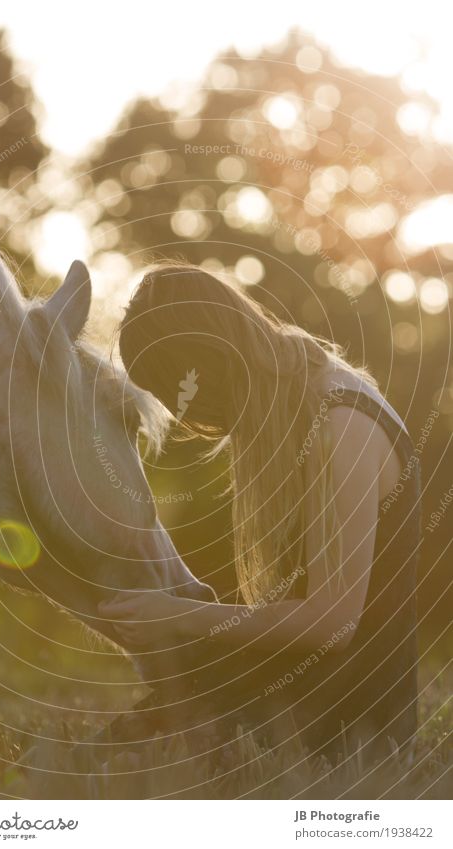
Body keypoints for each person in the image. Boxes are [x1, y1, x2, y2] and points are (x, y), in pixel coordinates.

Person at [98, 263, 421, 765]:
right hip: (300, 688)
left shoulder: (343, 424)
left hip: (347, 717)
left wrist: (176, 616)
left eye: (180, 393)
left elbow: (332, 622)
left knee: (118, 764)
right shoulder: (302, 405)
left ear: (208, 363)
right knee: (100, 759)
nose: (186, 416)